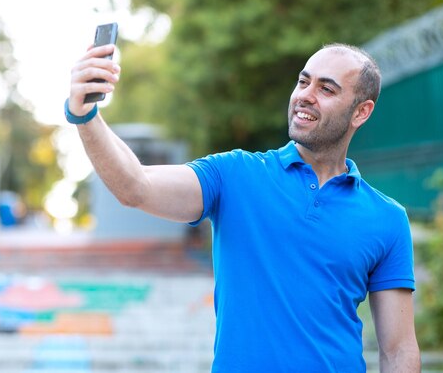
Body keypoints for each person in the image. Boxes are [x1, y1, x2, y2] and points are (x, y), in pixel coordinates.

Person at [66, 42, 421, 372]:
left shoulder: (387, 219)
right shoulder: (235, 174)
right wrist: (86, 115)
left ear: (361, 112)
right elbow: (135, 186)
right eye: (303, 82)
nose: (305, 97)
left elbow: (399, 349)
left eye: (326, 89)